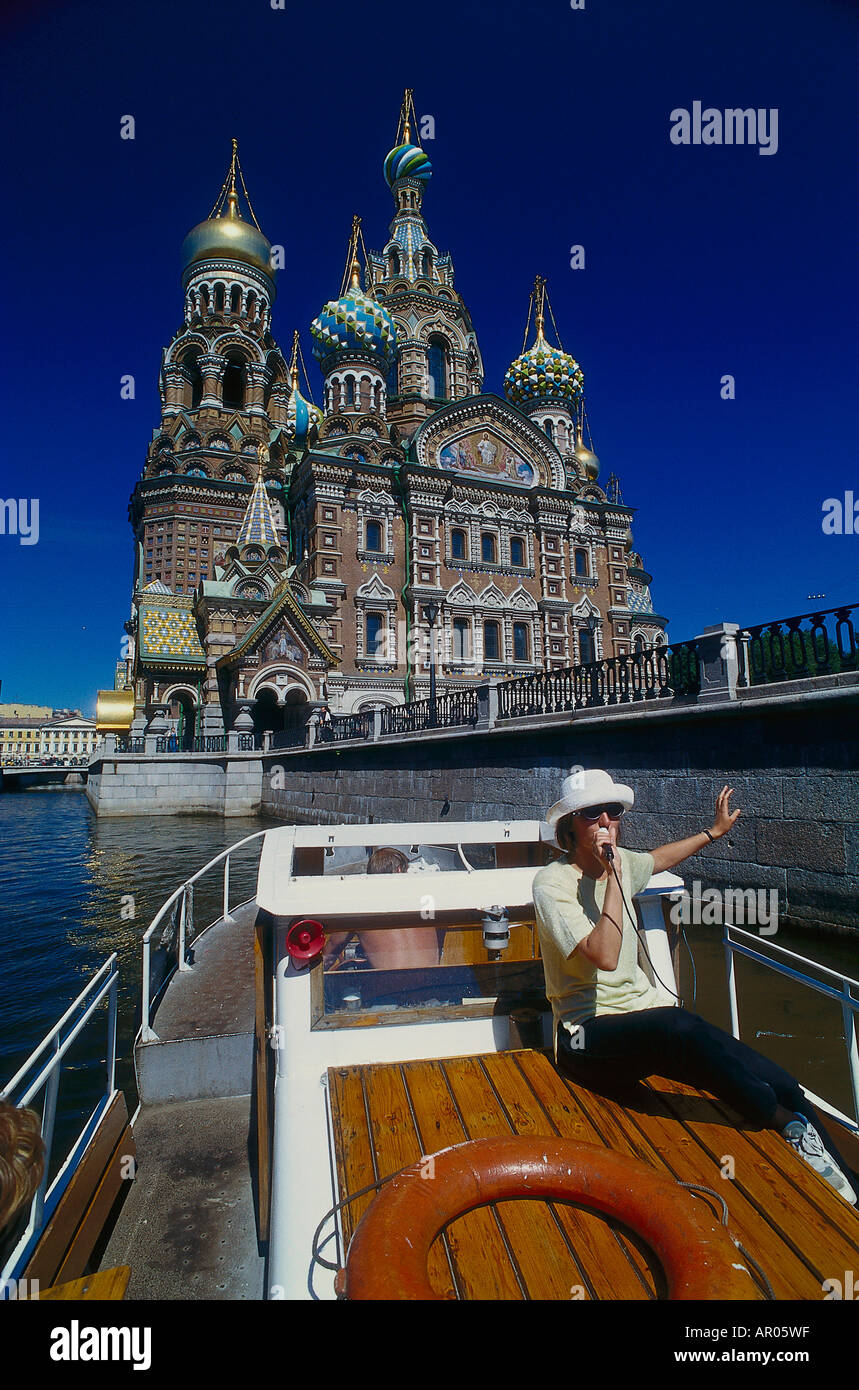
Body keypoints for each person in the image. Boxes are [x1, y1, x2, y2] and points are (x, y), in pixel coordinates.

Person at [532, 768, 857, 1206]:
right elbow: (604, 955)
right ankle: (781, 1122)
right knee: (678, 1024)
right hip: (586, 1037)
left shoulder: (626, 862)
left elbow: (659, 859)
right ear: (570, 824)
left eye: (614, 810)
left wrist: (713, 832)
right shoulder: (553, 884)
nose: (607, 820)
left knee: (784, 1081)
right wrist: (611, 874)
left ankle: (849, 1183)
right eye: (593, 812)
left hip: (643, 1023)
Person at [323, 848, 440, 972]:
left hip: (393, 988)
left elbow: (328, 956)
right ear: (400, 870)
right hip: (433, 984)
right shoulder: (425, 902)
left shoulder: (360, 908)